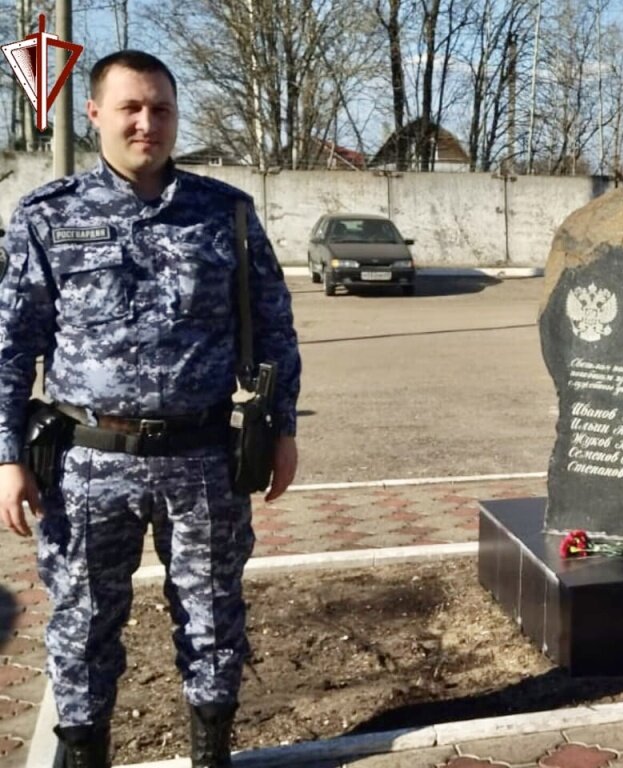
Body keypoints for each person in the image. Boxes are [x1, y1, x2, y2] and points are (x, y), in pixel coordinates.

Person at [0, 50, 301, 767]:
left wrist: (282, 426)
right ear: (95, 114)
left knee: (212, 623)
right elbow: (10, 344)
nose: (147, 122)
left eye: (161, 109)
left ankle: (211, 753)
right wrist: (7, 455)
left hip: (202, 464)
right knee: (80, 629)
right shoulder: (48, 216)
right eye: (131, 107)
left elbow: (273, 327)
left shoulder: (225, 214)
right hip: (86, 467)